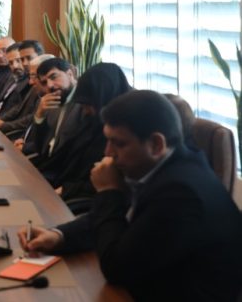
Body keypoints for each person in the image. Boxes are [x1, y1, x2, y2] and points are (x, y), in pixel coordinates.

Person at [18, 90, 242, 301]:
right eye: (107, 140)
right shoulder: (159, 165)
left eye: (119, 143)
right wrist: (59, 236)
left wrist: (108, 191)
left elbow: (117, 268)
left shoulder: (181, 194)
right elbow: (117, 217)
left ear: (156, 144)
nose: (107, 152)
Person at [34, 62, 131, 201]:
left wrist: (66, 190)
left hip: (79, 199)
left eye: (87, 105)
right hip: (57, 184)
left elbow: (111, 180)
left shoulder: (122, 133)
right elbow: (63, 155)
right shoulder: (91, 120)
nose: (84, 111)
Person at [0, 53, 53, 140]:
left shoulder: (52, 98)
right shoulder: (34, 88)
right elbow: (19, 107)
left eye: (34, 76)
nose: (30, 82)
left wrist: (5, 125)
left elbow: (31, 119)